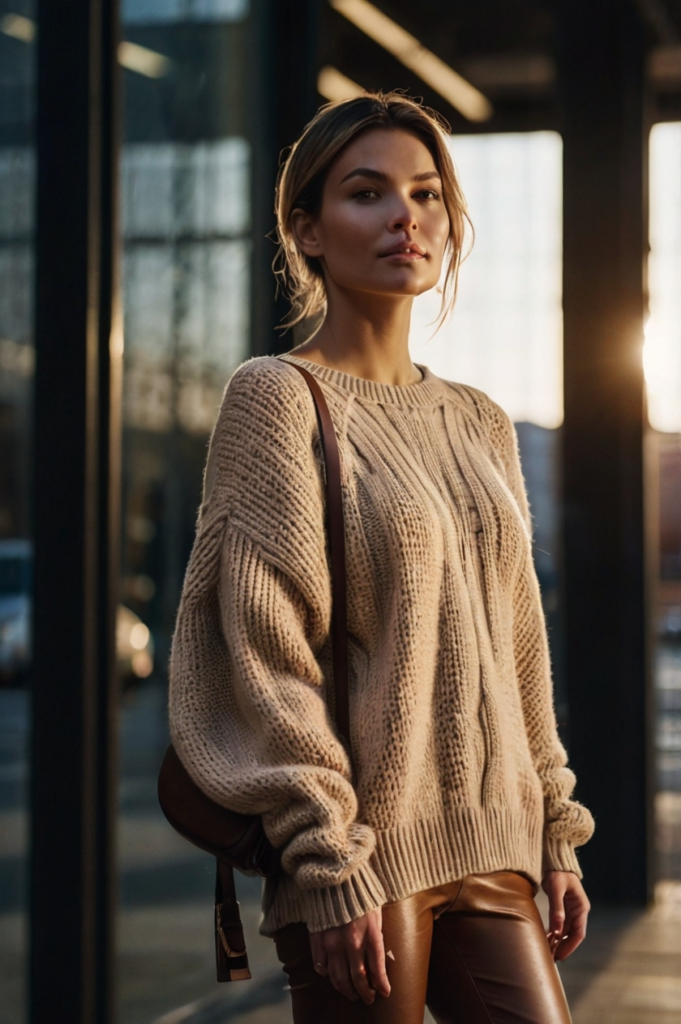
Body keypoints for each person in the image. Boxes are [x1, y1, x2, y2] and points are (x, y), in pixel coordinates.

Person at [169, 91, 595, 1023]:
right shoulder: (275, 397)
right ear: (307, 231)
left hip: (498, 848)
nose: (406, 215)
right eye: (367, 193)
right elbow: (266, 653)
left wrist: (554, 831)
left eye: (426, 193)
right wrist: (328, 860)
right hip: (364, 858)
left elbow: (517, 648)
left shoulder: (479, 419)